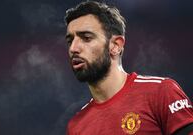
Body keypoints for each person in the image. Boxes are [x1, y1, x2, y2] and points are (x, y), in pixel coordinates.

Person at [64, 1, 193, 135]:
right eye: (70, 41)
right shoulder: (76, 126)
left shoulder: (161, 93)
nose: (73, 48)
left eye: (86, 38)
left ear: (115, 45)